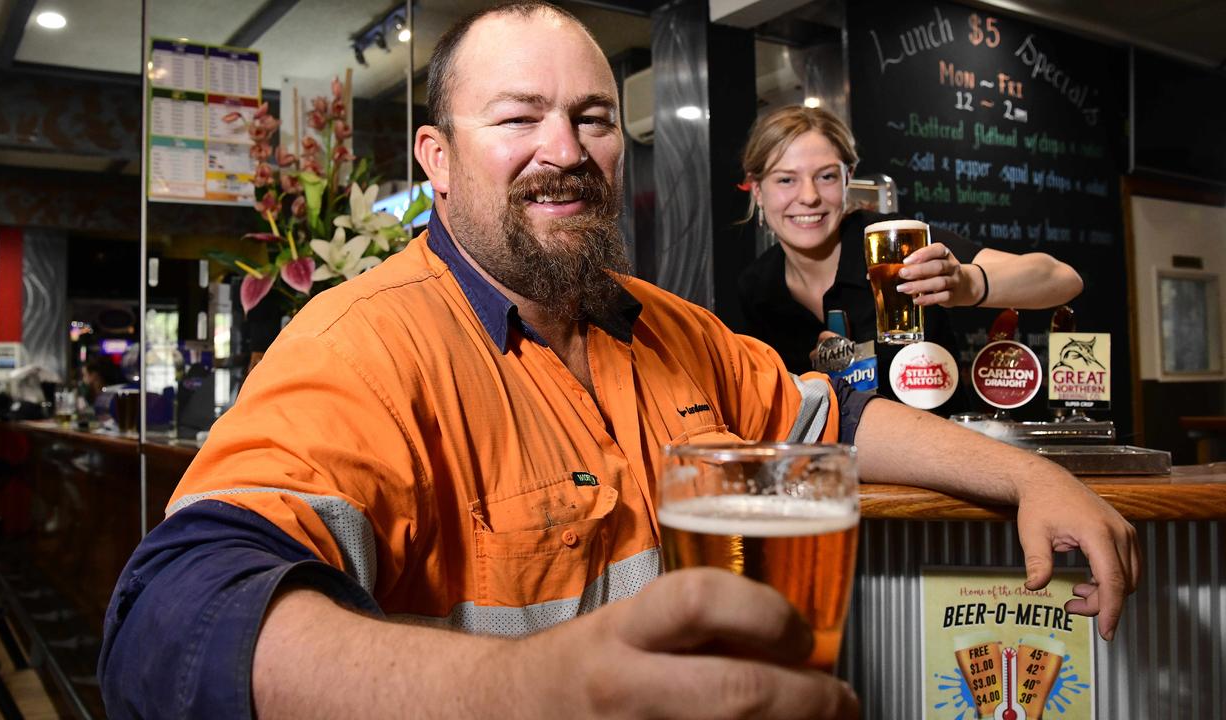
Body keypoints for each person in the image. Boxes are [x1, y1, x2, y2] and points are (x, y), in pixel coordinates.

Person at [98, 4, 1136, 719]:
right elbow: (168, 625)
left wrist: (1027, 474)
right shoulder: (359, 344)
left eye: (591, 119)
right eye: (516, 119)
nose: (563, 147)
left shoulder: (669, 329)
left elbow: (839, 419)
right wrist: (525, 693)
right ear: (435, 159)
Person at [736, 106, 1083, 409]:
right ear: (757, 189)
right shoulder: (756, 287)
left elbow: (1063, 279)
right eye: (786, 180)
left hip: (939, 465)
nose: (809, 196)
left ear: (848, 178)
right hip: (829, 471)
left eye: (826, 176)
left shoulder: (896, 242)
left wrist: (967, 283)